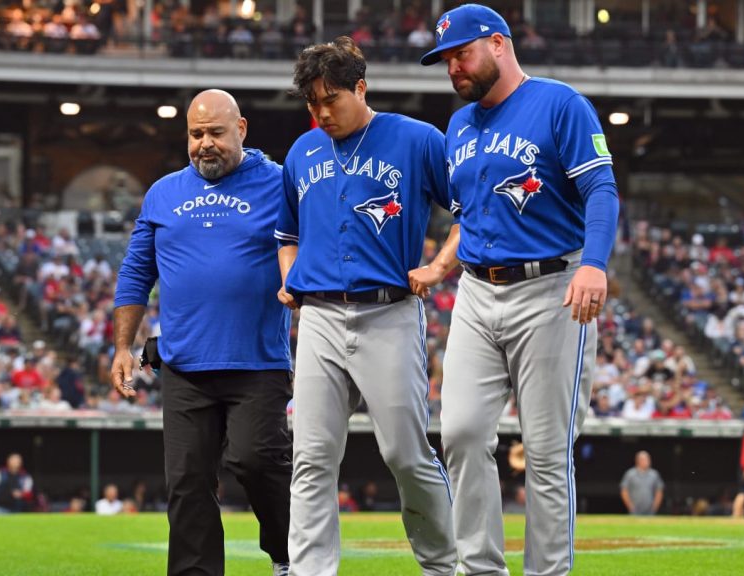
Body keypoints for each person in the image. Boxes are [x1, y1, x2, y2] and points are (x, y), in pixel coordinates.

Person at [417, 5, 619, 575]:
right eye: (446, 59)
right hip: (477, 294)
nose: (453, 67)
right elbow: (467, 218)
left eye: (462, 53)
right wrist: (439, 266)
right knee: (458, 434)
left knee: (548, 452)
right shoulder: (457, 126)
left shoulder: (560, 104)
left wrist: (595, 263)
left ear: (499, 44)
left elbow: (601, 189)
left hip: (552, 287)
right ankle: (481, 569)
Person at [275, 37, 456, 576]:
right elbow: (286, 233)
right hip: (321, 320)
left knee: (405, 453)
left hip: (389, 314)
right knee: (311, 457)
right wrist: (291, 279)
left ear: (361, 87)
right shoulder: (302, 152)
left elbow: (470, 212)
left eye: (331, 98)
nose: (321, 112)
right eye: (312, 102)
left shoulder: (417, 139)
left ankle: (442, 566)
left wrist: (439, 265)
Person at [112, 89, 292, 576]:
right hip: (185, 367)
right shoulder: (163, 193)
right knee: (187, 483)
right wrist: (124, 347)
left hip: (258, 363)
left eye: (215, 132)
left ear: (242, 129)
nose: (205, 144)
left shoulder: (281, 184)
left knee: (257, 462)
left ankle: (287, 555)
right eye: (196, 134)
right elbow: (134, 274)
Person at [619, 451, 664, 515]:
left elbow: (659, 491)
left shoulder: (654, 474)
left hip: (650, 510)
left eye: (648, 459)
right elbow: (624, 490)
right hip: (634, 510)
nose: (648, 461)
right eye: (645, 459)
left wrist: (655, 506)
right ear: (638, 461)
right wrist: (630, 505)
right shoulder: (630, 474)